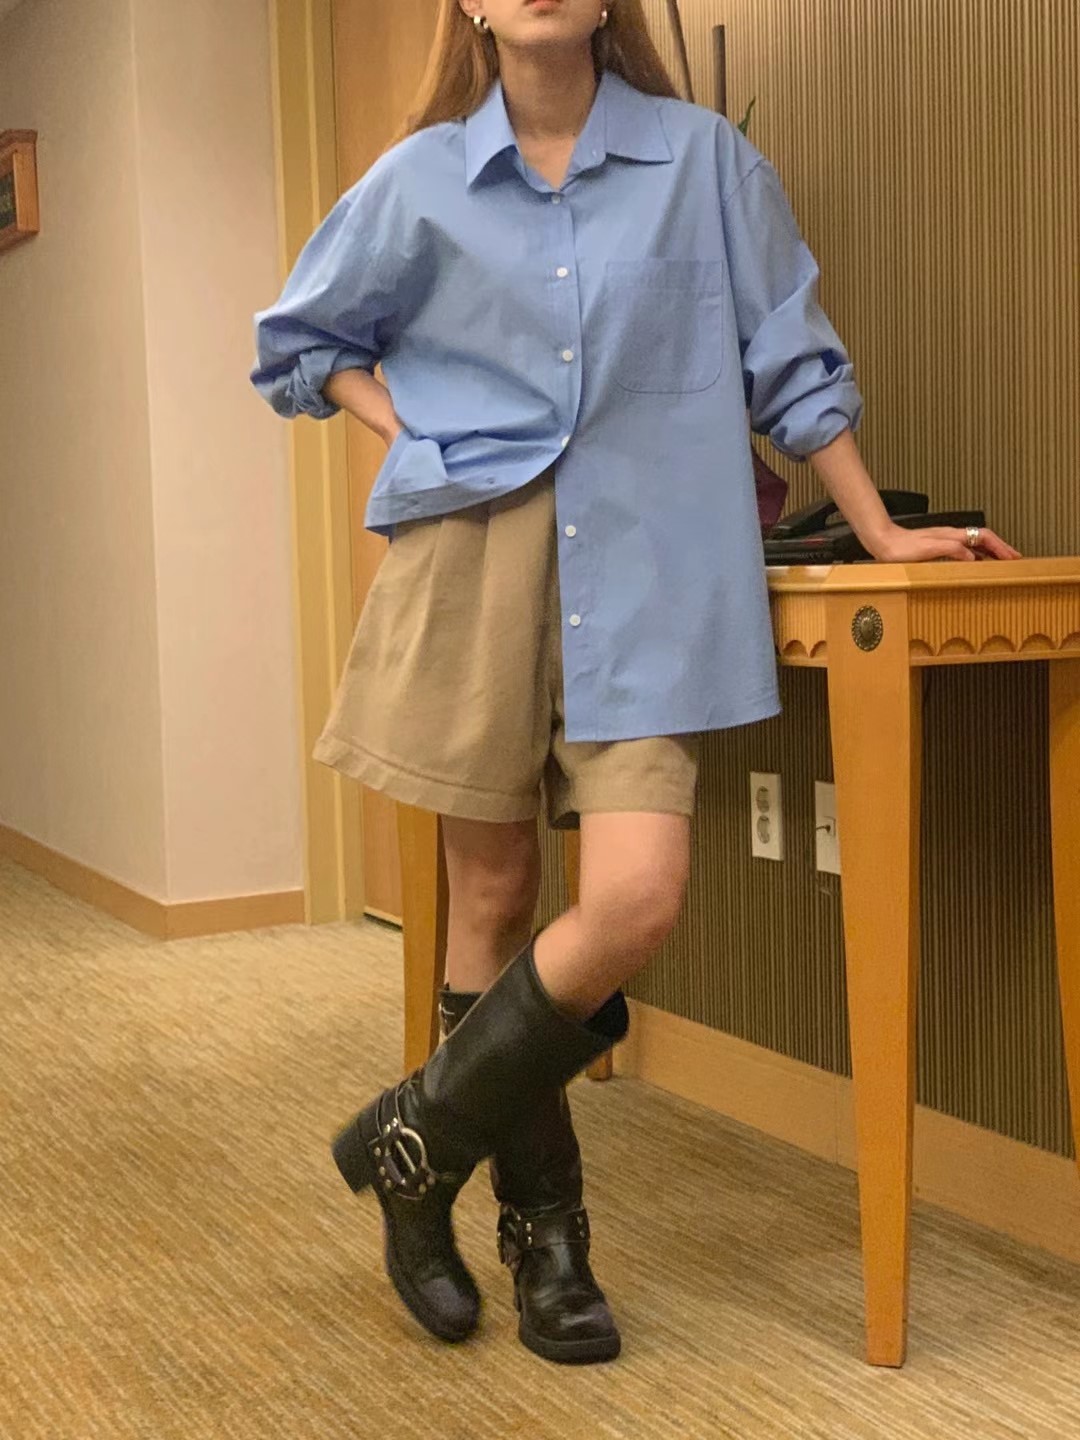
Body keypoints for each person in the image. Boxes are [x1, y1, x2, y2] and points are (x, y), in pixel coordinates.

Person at [251, 0, 1019, 1366]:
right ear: (473, 6)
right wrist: (420, 431)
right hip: (471, 561)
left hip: (656, 577)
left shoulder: (705, 159)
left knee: (636, 897)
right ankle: (548, 1245)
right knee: (491, 898)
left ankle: (416, 1143)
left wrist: (883, 530)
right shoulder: (420, 178)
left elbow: (789, 358)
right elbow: (302, 346)